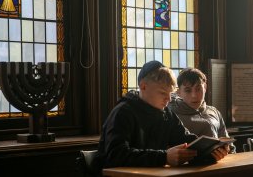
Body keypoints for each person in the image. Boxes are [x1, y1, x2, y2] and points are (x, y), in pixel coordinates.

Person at [97, 61, 229, 169]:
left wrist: (211, 151)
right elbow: (115, 155)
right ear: (143, 86)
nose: (169, 99)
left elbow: (186, 141)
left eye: (170, 94)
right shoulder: (122, 112)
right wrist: (164, 157)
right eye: (162, 93)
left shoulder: (166, 113)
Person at [169, 68, 236, 154]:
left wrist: (227, 148)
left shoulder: (214, 111)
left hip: (219, 162)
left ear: (205, 87)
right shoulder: (171, 114)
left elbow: (228, 144)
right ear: (178, 92)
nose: (194, 95)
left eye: (198, 89)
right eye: (188, 90)